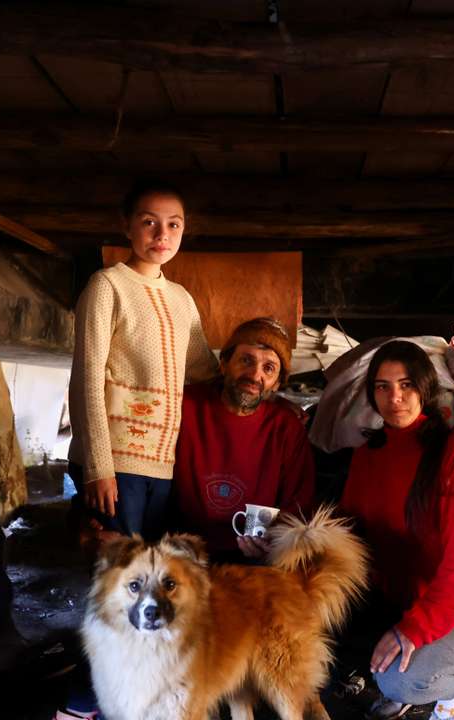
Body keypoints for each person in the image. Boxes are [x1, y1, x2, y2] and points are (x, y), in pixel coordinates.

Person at [340, 340, 454, 720]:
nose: (395, 397)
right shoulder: (367, 456)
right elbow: (348, 534)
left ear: (425, 388)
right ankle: (408, 674)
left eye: (406, 385)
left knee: (398, 678)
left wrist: (414, 630)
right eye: (383, 386)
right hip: (400, 606)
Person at [68, 179, 218, 543]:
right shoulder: (107, 286)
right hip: (115, 461)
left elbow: (205, 373)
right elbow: (87, 379)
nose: (162, 234)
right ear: (127, 225)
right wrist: (98, 467)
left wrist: (272, 403)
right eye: (149, 221)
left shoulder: (182, 299)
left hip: (164, 463)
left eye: (173, 224)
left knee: (151, 566)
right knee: (120, 568)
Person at [172, 317, 315, 562]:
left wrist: (273, 546)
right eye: (246, 360)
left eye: (268, 368)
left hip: (255, 562)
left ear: (277, 383)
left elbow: (299, 504)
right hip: (180, 554)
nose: (254, 375)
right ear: (224, 364)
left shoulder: (286, 427)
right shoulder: (185, 406)